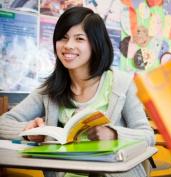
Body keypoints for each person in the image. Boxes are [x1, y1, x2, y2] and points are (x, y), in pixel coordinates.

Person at [0, 6, 155, 177]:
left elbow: (148, 136)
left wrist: (114, 134)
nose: (68, 46)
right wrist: (28, 131)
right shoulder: (49, 89)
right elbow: (3, 124)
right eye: (63, 38)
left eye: (79, 38)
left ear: (95, 44)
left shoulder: (121, 83)